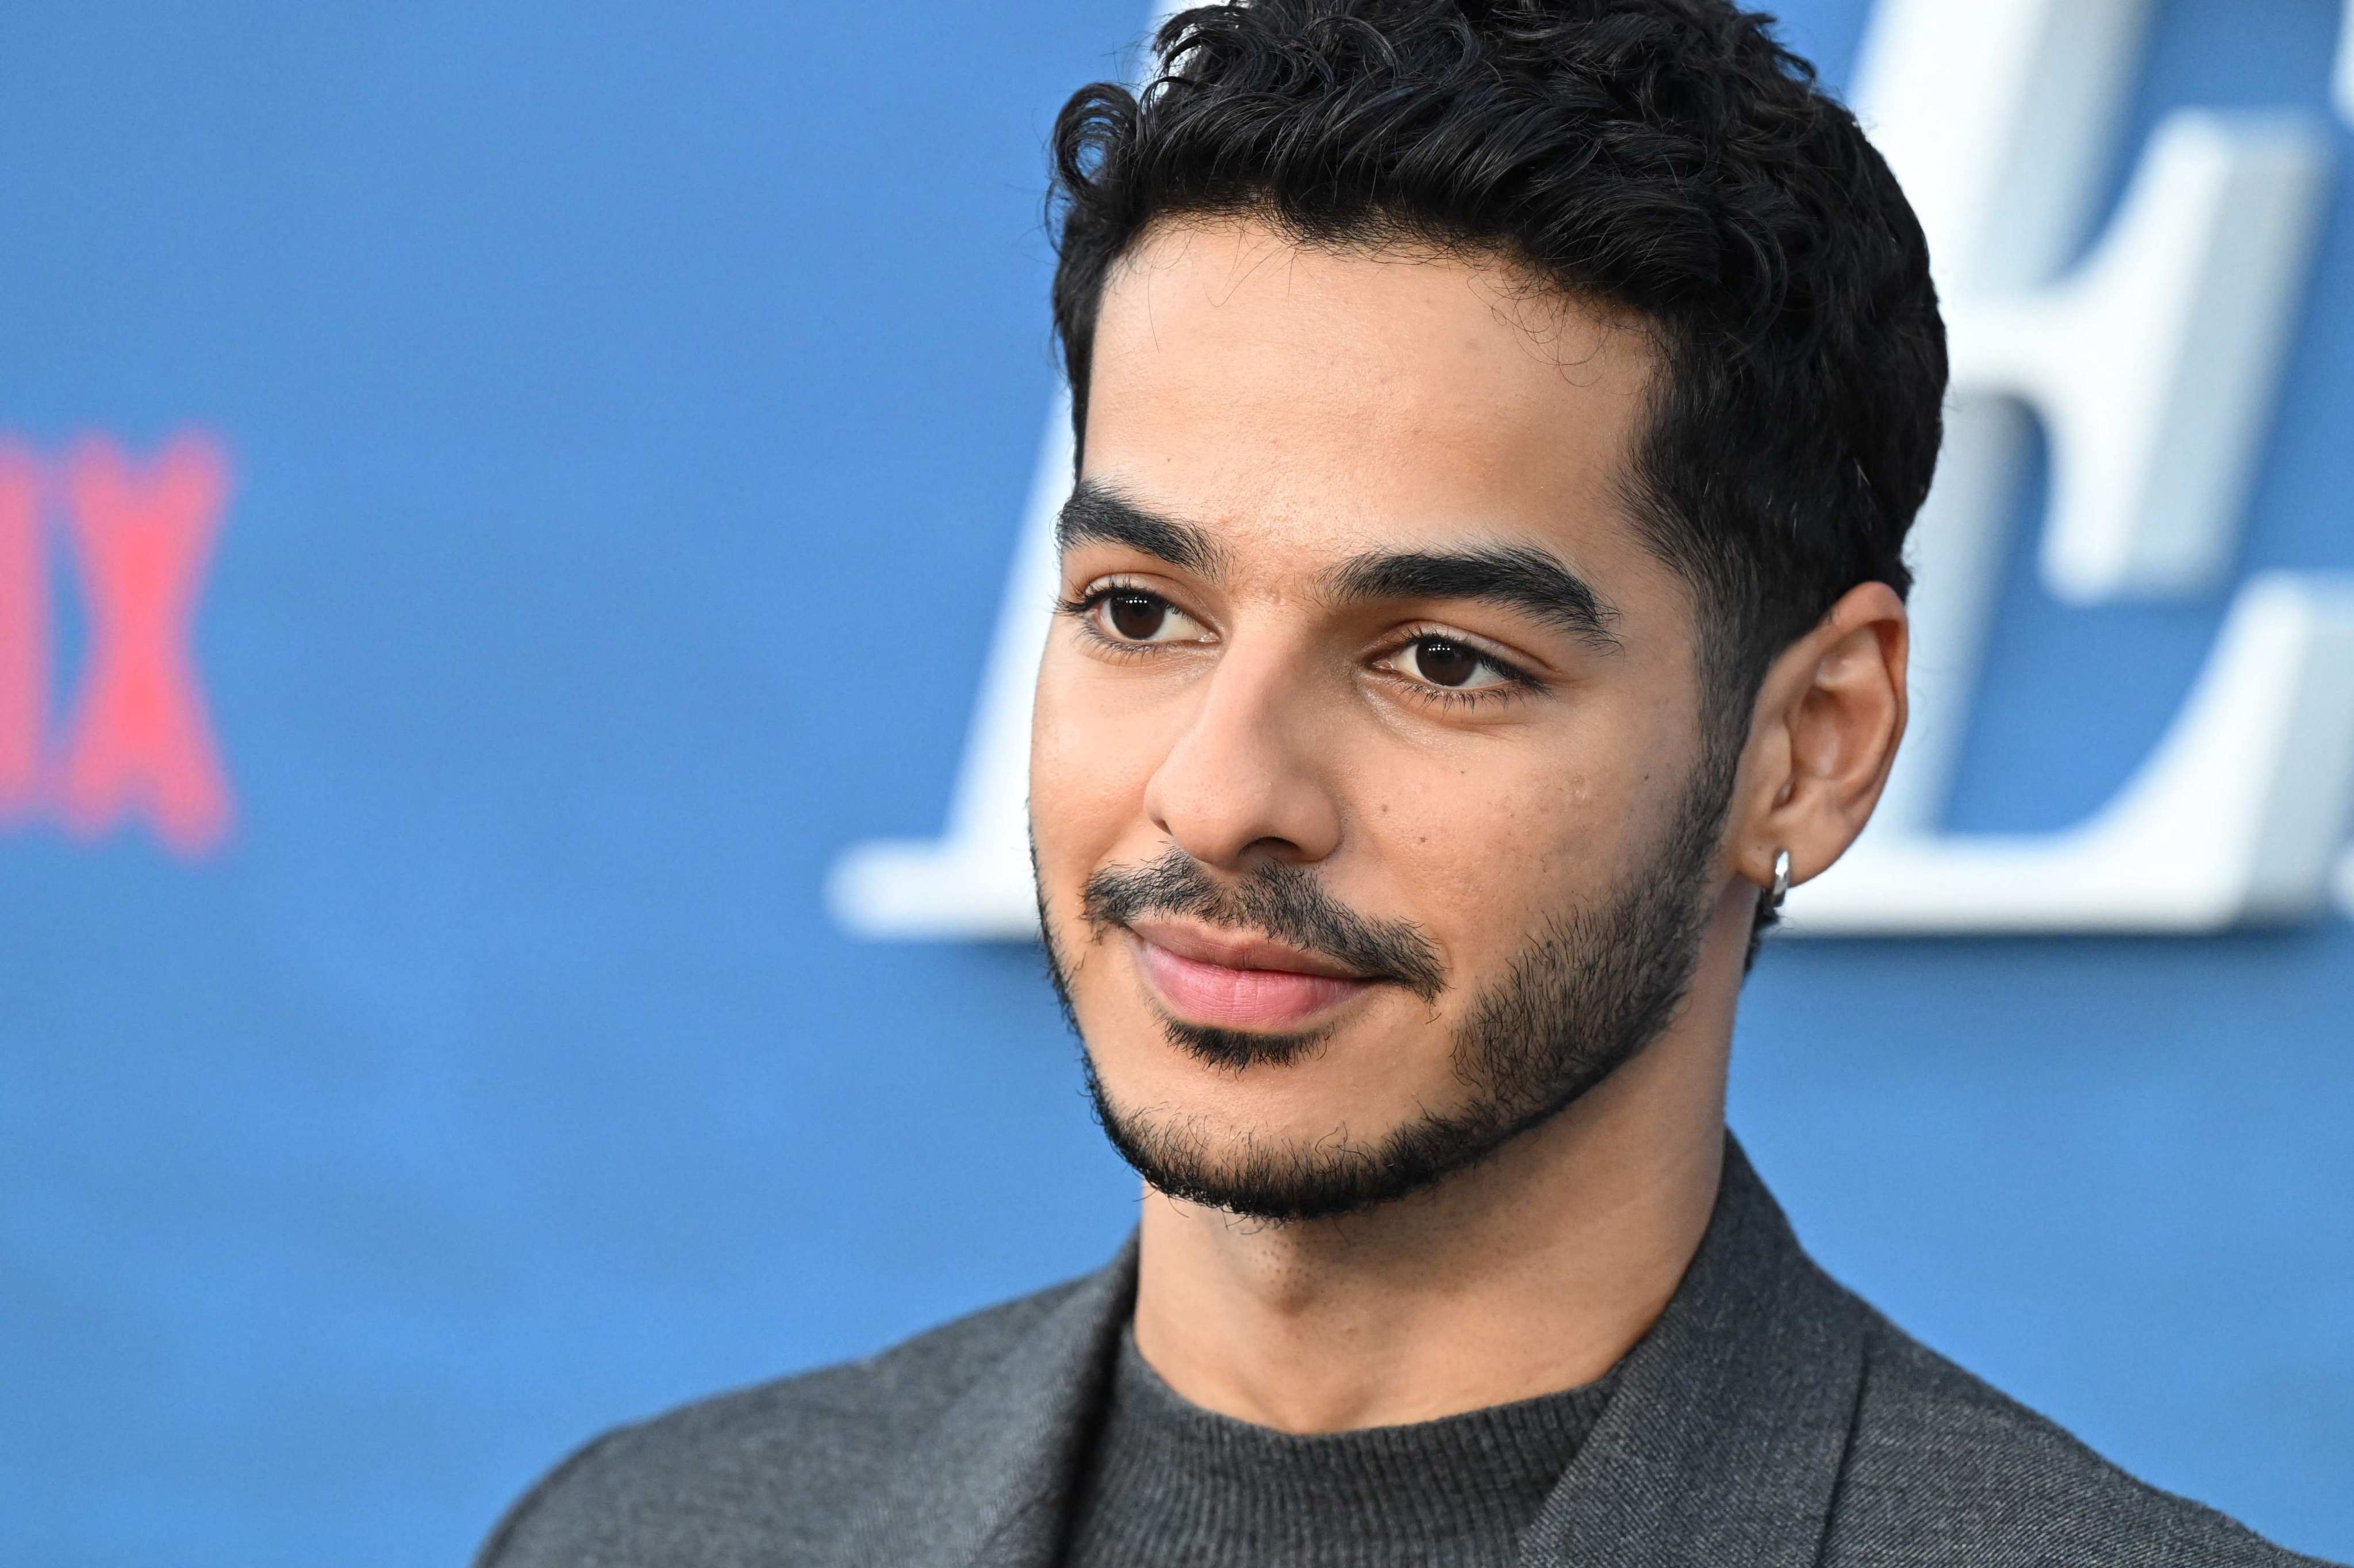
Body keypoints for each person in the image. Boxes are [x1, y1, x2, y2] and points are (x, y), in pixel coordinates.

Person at [477, 3, 2338, 1564]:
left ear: (1815, 744)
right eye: (1140, 610)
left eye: (1445, 660)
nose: (1221, 798)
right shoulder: (651, 1533)